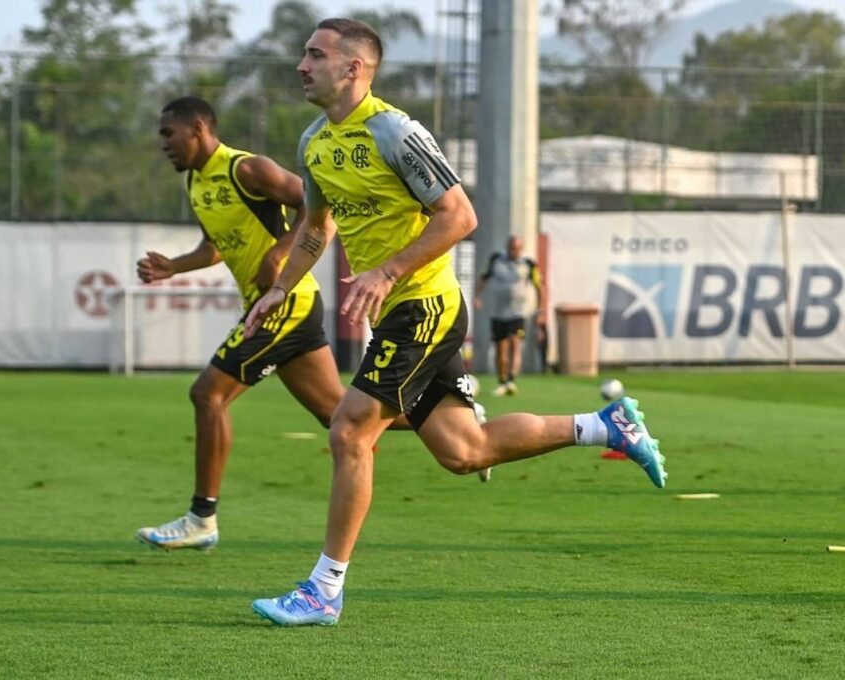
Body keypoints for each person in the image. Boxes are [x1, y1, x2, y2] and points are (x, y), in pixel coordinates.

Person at [243, 18, 667, 627]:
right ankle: (605, 427)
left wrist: (387, 271)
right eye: (304, 54)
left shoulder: (394, 131)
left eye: (315, 54)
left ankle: (323, 591)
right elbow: (315, 228)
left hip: (425, 306)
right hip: (399, 311)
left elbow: (460, 216)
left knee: (348, 430)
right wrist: (280, 288)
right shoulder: (314, 142)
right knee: (464, 451)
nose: (301, 65)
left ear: (353, 68)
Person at [134, 95, 377, 552]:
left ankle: (201, 518)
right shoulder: (196, 183)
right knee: (341, 416)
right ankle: (447, 415)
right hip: (274, 307)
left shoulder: (247, 169)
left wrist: (279, 254)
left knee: (207, 394)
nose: (163, 143)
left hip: (285, 302)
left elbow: (317, 208)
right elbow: (216, 246)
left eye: (169, 133)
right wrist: (175, 266)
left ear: (199, 128)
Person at [473, 235, 544, 396]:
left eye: (517, 249)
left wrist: (540, 310)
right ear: (507, 247)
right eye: (511, 248)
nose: (514, 251)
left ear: (521, 248)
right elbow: (483, 277)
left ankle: (511, 381)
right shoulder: (496, 259)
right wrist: (477, 296)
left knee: (515, 344)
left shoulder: (529, 263)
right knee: (501, 348)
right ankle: (502, 381)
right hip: (498, 312)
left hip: (518, 312)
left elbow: (540, 286)